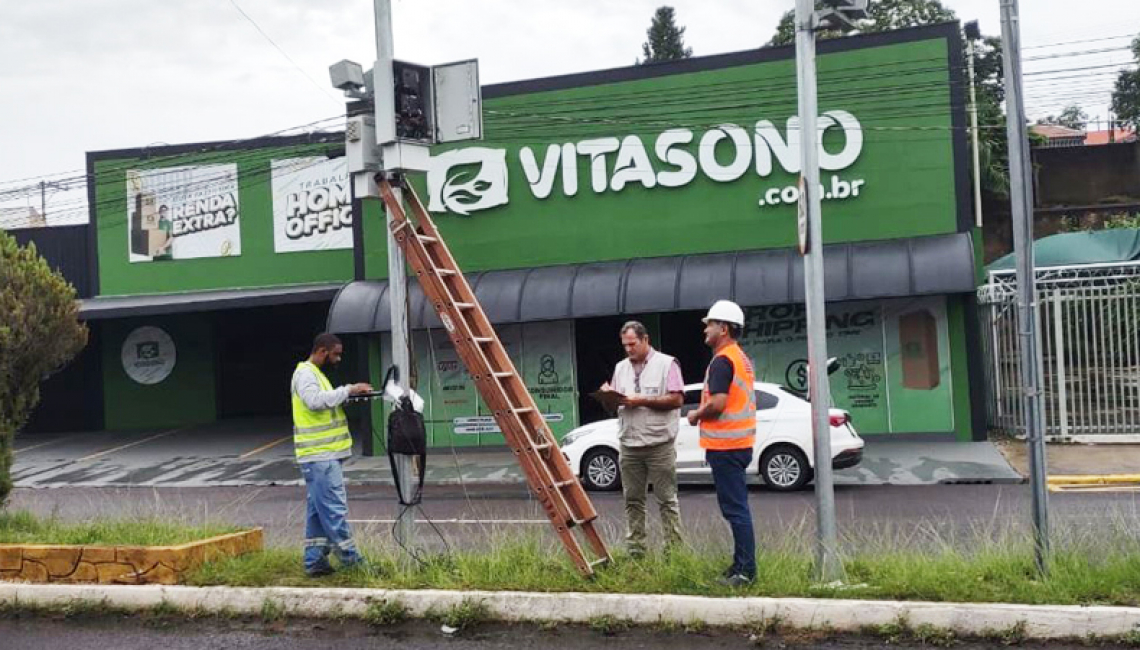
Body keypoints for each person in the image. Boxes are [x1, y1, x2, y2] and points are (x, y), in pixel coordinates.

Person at [686, 300, 757, 586]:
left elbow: (717, 404)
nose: (705, 328)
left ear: (723, 329)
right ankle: (740, 564)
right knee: (736, 508)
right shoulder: (740, 358)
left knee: (735, 510)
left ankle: (745, 572)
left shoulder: (723, 360)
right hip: (738, 444)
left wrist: (695, 414)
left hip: (727, 447)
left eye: (710, 324)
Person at [291, 332, 373, 577]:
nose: (338, 359)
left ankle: (314, 561)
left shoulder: (316, 375)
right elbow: (315, 402)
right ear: (322, 351)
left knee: (318, 512)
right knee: (334, 510)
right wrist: (348, 390)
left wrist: (349, 396)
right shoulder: (306, 374)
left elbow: (324, 403)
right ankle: (352, 560)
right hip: (319, 456)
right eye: (335, 354)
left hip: (323, 456)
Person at [602, 320, 684, 558]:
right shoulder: (620, 367)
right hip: (629, 444)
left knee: (667, 500)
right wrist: (608, 396)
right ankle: (636, 551)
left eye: (633, 344)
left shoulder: (667, 363)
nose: (629, 349)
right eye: (625, 345)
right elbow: (617, 403)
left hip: (659, 444)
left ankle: (674, 553)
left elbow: (677, 399)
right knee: (633, 500)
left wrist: (642, 401)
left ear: (645, 340)